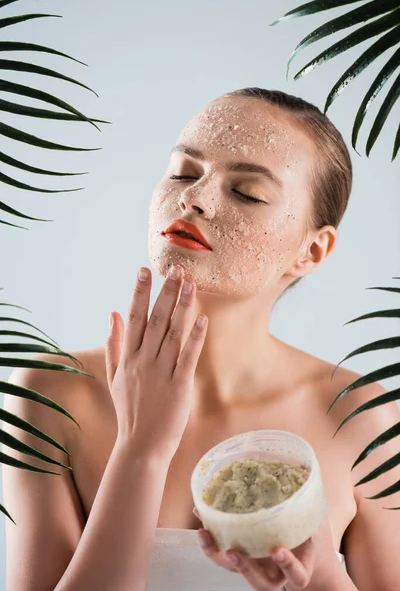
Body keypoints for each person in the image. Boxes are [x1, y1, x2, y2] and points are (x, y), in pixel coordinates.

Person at [3, 88, 400, 591]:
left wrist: (319, 575)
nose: (194, 198)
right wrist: (141, 448)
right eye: (183, 172)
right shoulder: (49, 397)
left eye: (248, 193)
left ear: (311, 250)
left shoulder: (360, 417)